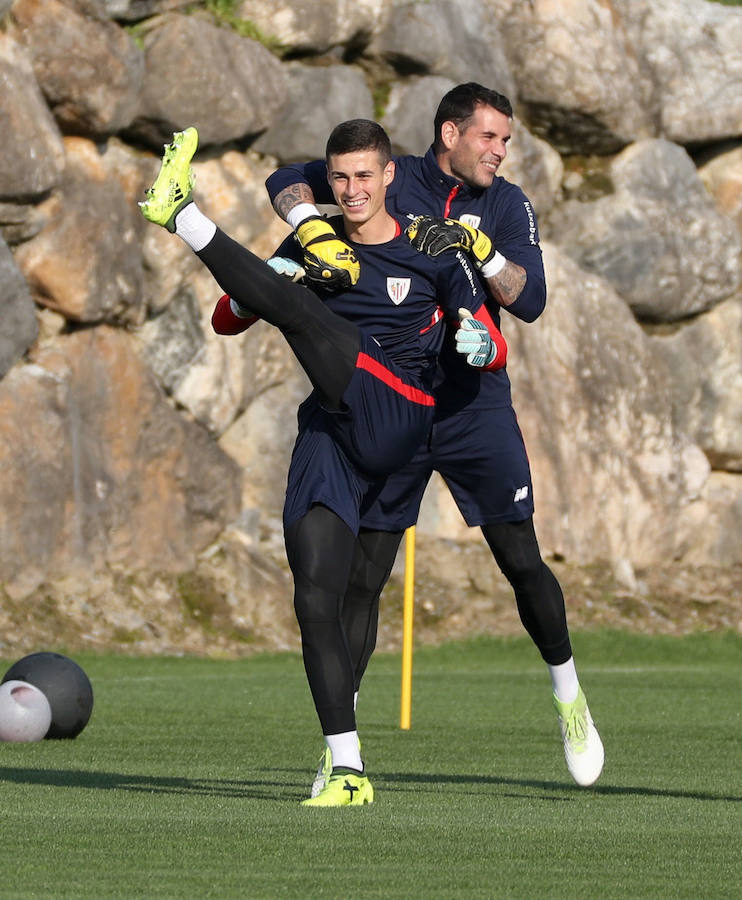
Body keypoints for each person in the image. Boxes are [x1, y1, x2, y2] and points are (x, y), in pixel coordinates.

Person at [139, 119, 506, 806]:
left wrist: (482, 346)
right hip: (332, 429)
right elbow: (227, 319)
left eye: (365, 175)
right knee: (316, 598)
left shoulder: (430, 244)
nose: (352, 189)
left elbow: (488, 331)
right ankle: (346, 769)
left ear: (389, 175)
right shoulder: (315, 238)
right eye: (339, 177)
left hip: (400, 414)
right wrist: (260, 287)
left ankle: (182, 215)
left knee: (315, 324)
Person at [265, 82, 605, 789]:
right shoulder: (391, 174)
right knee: (364, 577)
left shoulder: (506, 204)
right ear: (450, 134)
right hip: (391, 404)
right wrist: (311, 229)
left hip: (473, 406)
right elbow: (287, 179)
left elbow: (530, 299)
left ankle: (569, 696)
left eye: (505, 139)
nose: (500, 151)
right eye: (490, 137)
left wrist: (482, 252)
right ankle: (342, 747)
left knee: (520, 559)